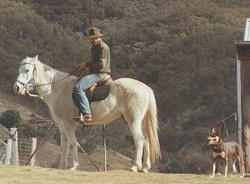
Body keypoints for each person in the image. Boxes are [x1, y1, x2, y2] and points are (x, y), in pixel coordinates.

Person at [72, 27, 111, 122]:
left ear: (99, 37)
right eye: (92, 38)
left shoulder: (103, 47)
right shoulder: (95, 47)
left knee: (78, 88)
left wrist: (86, 64)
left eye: (96, 38)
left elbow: (101, 65)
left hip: (99, 74)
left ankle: (87, 114)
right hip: (95, 73)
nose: (94, 39)